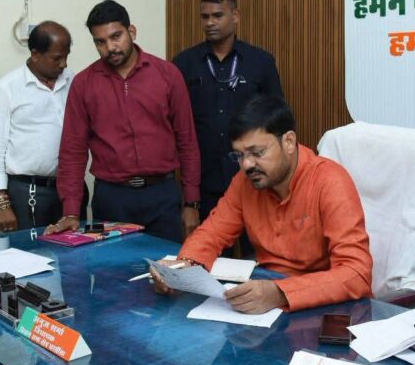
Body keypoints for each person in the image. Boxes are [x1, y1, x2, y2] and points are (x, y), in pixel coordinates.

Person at [152, 96, 373, 313]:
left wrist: (280, 293)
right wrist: (184, 266)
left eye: (257, 153)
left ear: (288, 142)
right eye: (239, 155)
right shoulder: (246, 181)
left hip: (324, 306)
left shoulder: (330, 181)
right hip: (265, 295)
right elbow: (212, 233)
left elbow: (357, 274)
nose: (247, 165)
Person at [50, 0, 201, 242]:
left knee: (167, 265)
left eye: (116, 36)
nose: (110, 47)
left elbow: (187, 140)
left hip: (162, 195)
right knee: (113, 266)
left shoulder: (167, 75)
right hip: (112, 198)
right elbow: (72, 150)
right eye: (100, 42)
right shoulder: (84, 84)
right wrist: (70, 211)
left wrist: (191, 202)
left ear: (132, 31)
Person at [172, 0, 284, 222]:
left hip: (252, 175)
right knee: (209, 240)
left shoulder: (260, 61)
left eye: (218, 15)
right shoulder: (184, 63)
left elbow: (277, 118)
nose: (210, 22)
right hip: (204, 180)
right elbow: (176, 124)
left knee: (257, 241)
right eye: (205, 17)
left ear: (235, 16)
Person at [0, 21, 73, 231]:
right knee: (30, 250)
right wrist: (1, 203)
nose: (64, 64)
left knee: (72, 248)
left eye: (66, 56)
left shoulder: (72, 80)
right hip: (27, 191)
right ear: (35, 54)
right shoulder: (8, 87)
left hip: (67, 189)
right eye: (57, 58)